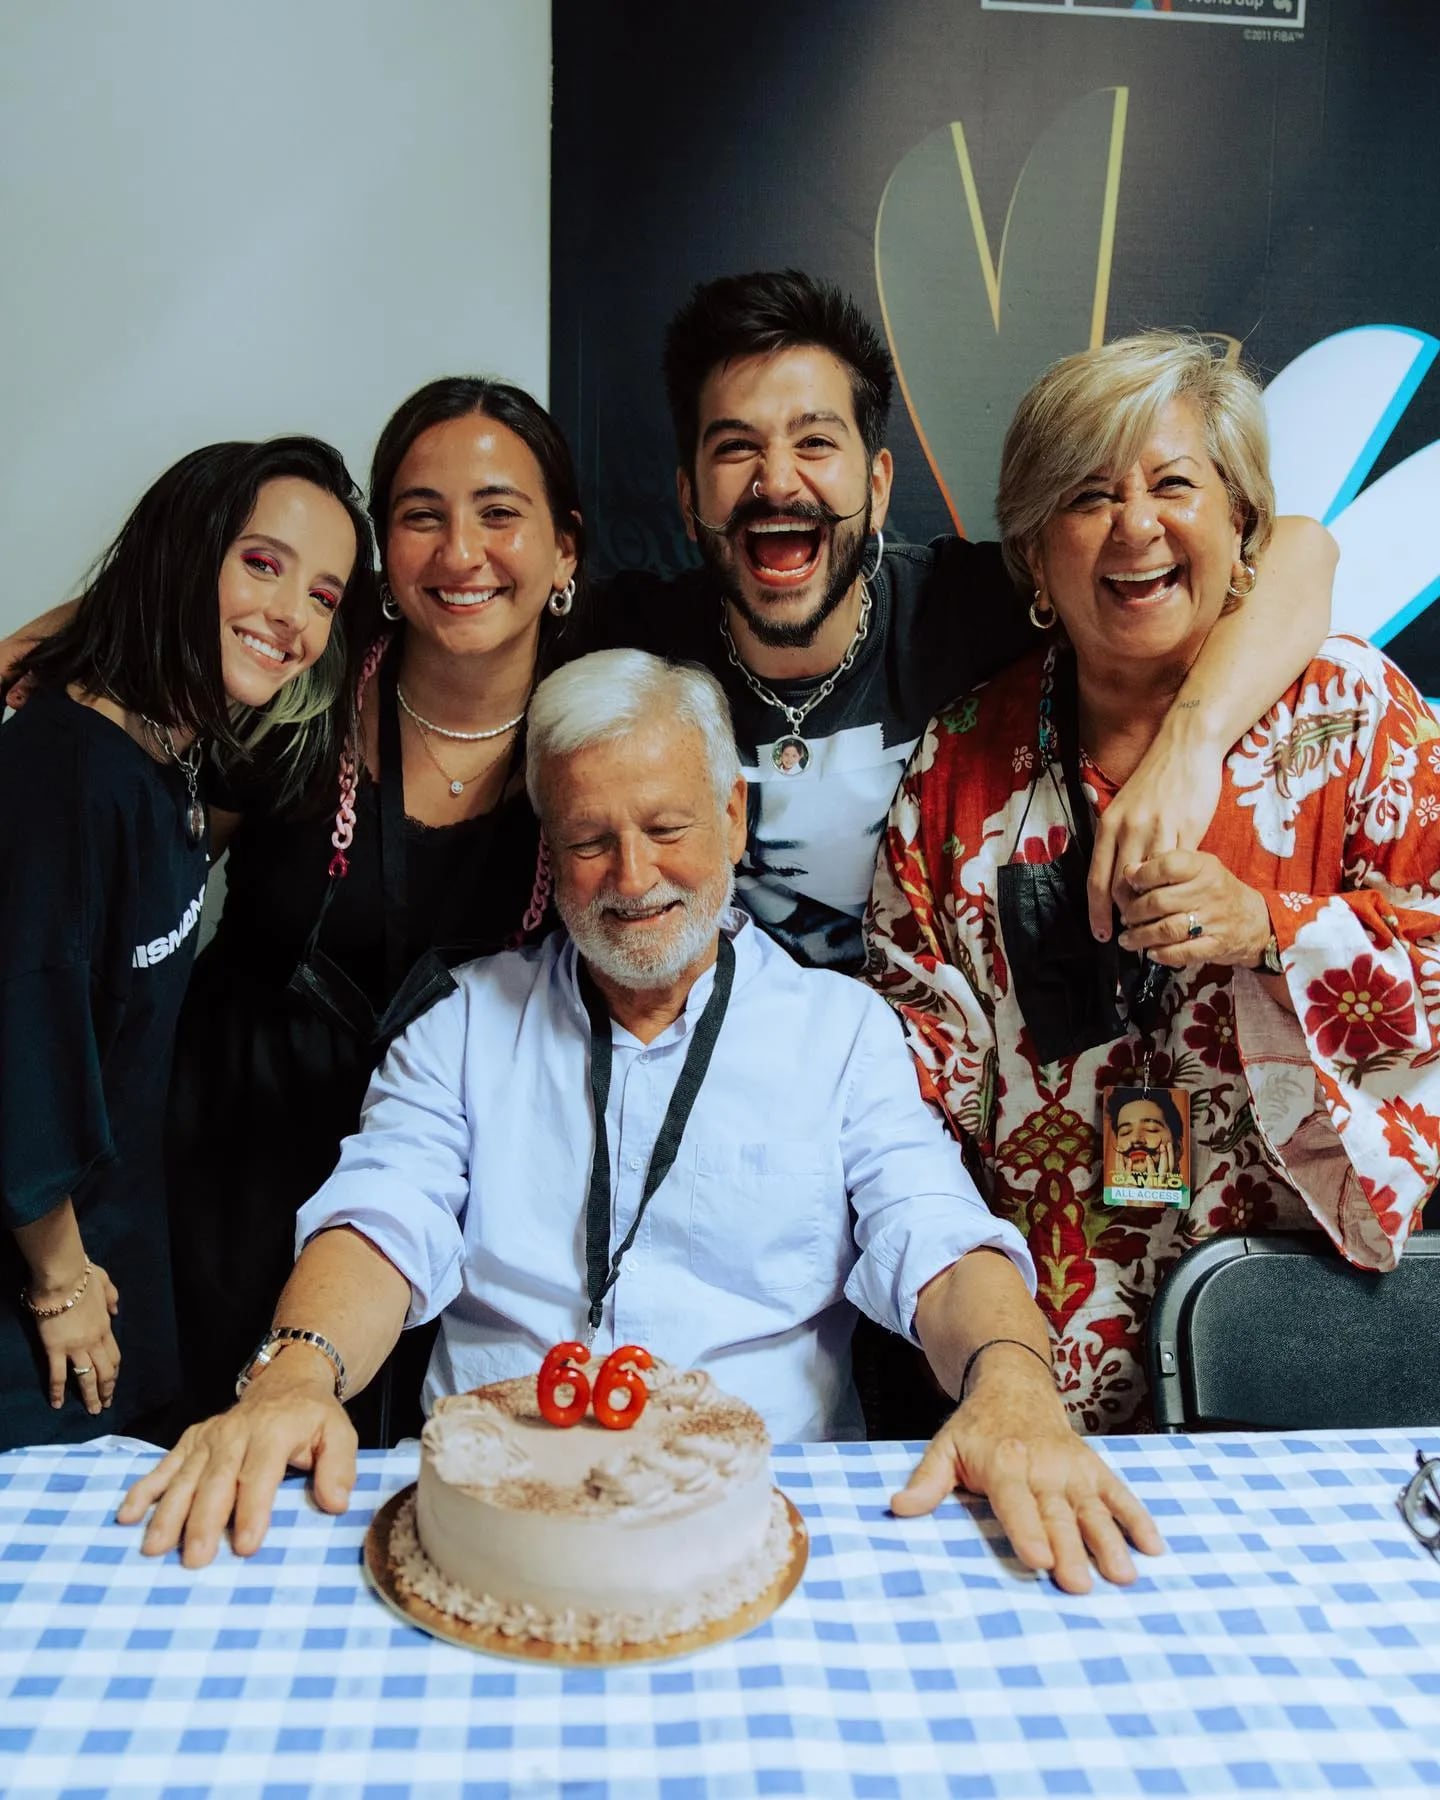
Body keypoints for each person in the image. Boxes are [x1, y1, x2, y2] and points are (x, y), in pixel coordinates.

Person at [117, 650, 1163, 1594]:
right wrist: (294, 1374)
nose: (632, 878)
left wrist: (1017, 1384)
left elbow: (932, 1237)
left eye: (666, 829)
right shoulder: (463, 1024)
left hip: (762, 1516)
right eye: (588, 840)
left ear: (734, 819)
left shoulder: (840, 1034)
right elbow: (381, 1219)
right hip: (492, 1523)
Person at [865, 332, 1440, 1433]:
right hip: (1046, 1366)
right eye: (1087, 497)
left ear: (1240, 524)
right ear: (1035, 556)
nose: (1136, 526)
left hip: (1320, 1329)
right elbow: (911, 1092)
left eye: (1174, 483)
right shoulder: (958, 767)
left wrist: (1275, 929)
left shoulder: (1359, 720)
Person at [593, 269, 1338, 974]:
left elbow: (1300, 552)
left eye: (815, 441)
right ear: (690, 498)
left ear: (878, 485)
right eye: (736, 447)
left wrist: (1189, 750)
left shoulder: (966, 604)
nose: (778, 479)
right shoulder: (630, 648)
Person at [162, 378, 585, 1440]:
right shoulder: (295, 689)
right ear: (381, 549)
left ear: (564, 550)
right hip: (223, 1172)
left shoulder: (595, 737)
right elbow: (142, 910)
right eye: (420, 515)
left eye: (499, 513)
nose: (460, 554)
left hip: (461, 1209)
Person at [0, 436, 367, 1449]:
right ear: (183, 551)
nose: (292, 618)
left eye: (324, 595)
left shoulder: (170, 753)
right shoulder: (59, 774)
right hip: (44, 1300)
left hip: (119, 1264)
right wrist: (58, 1279)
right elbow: (22, 1040)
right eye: (262, 563)